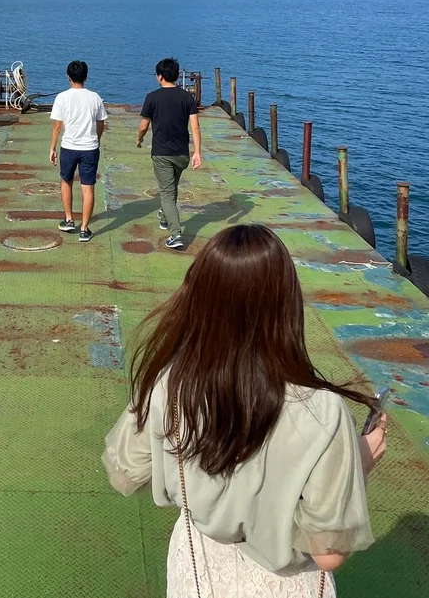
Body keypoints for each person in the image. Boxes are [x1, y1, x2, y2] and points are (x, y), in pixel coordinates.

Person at [102, 224, 387, 598]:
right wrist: (361, 462)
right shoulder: (323, 410)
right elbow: (328, 553)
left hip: (196, 566)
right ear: (286, 303)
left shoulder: (170, 382)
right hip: (282, 585)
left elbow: (125, 473)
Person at [137, 57, 201, 250]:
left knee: (166, 191)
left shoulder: (152, 97)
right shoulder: (187, 98)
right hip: (182, 153)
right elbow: (195, 126)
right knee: (171, 187)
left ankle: (175, 234)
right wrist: (197, 152)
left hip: (162, 153)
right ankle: (165, 217)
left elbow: (143, 125)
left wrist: (139, 139)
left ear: (160, 76)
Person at [49, 60, 108, 243]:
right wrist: (96, 140)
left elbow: (58, 126)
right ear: (86, 77)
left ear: (69, 77)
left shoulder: (62, 97)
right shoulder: (95, 97)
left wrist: (52, 148)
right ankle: (84, 229)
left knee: (66, 181)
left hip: (68, 147)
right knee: (87, 187)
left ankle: (68, 219)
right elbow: (101, 124)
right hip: (89, 148)